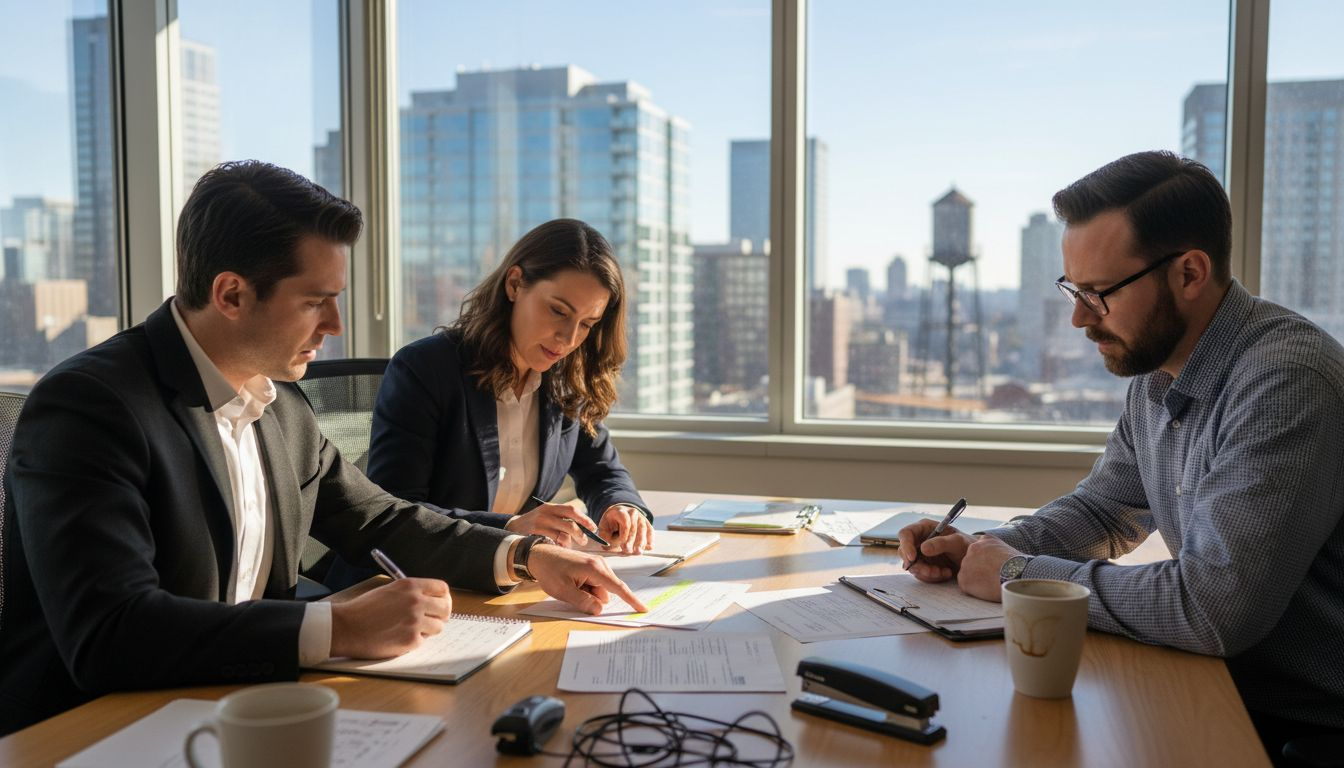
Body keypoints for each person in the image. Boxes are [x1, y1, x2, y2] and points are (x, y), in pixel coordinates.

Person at [0, 161, 645, 736]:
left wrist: (526, 555)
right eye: (317, 302)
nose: (335, 327)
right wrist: (338, 627)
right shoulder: (90, 407)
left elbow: (381, 517)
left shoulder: (279, 404)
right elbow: (110, 633)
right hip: (99, 727)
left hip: (244, 702)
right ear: (231, 294)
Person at [899, 150, 1344, 756]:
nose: (1079, 318)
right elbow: (1105, 513)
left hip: (1305, 725)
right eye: (1072, 289)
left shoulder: (1285, 384)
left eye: (1099, 292)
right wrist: (983, 548)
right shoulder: (1159, 371)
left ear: (1189, 274)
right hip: (1218, 686)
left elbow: (1213, 608)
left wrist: (1016, 575)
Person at [333, 219, 651, 593]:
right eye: (558, 311)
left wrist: (621, 506)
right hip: (397, 587)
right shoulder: (426, 369)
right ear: (514, 284)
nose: (568, 338)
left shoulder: (564, 381)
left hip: (497, 585)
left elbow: (601, 468)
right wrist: (510, 529)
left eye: (587, 324)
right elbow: (394, 509)